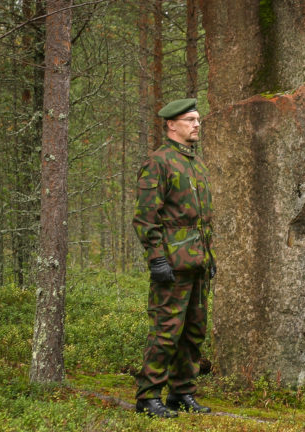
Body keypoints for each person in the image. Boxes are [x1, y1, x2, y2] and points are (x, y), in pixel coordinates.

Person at [132, 98, 216, 418]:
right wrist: (157, 258)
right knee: (166, 331)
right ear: (171, 125)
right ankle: (148, 395)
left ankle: (181, 393)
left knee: (194, 332)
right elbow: (145, 216)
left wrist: (211, 257)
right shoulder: (159, 162)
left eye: (197, 119)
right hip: (172, 263)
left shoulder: (197, 165)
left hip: (198, 262)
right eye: (189, 120)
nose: (196, 124)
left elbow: (203, 220)